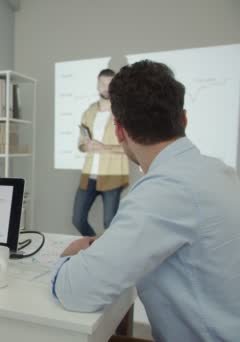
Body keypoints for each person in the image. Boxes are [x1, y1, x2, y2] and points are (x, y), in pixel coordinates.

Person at [51, 60, 240, 342]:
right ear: (184, 119)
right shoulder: (219, 172)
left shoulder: (165, 189)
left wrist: (67, 258)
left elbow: (75, 291)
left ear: (119, 131)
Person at [72, 69, 129, 236]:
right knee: (77, 219)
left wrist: (103, 148)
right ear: (97, 84)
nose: (106, 87)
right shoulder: (89, 111)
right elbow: (81, 144)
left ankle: (109, 256)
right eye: (103, 83)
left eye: (110, 84)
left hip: (112, 174)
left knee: (110, 223)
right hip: (89, 174)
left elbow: (129, 147)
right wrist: (86, 147)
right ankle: (95, 247)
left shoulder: (123, 113)